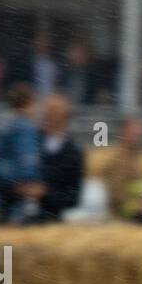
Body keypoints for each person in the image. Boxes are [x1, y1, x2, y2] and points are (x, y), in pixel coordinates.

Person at [0, 83, 45, 224]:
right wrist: (29, 181)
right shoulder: (25, 128)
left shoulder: (5, 124)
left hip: (2, 179)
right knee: (15, 219)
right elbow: (27, 156)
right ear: (29, 103)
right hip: (18, 184)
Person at [38, 94, 84, 222]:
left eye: (54, 111)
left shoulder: (73, 153)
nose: (49, 115)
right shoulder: (30, 142)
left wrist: (45, 192)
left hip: (50, 221)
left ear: (65, 116)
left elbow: (74, 198)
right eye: (48, 110)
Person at [103, 116, 142, 221]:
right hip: (125, 218)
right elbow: (116, 194)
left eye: (139, 131)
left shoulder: (136, 156)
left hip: (136, 214)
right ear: (123, 132)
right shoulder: (118, 158)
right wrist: (136, 210)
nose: (138, 134)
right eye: (133, 131)